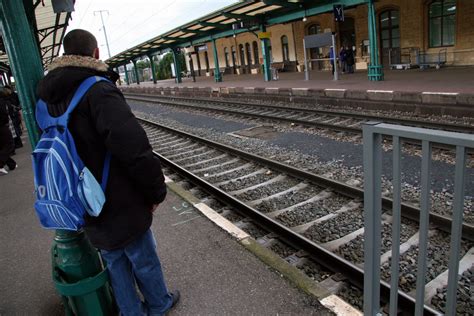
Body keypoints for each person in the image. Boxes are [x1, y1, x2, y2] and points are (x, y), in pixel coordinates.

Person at [36, 29, 179, 315]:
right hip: (118, 196)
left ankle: (130, 311)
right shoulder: (97, 89)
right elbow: (134, 147)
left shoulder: (44, 98)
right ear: (96, 53)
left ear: (65, 54)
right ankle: (158, 303)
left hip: (80, 196)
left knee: (114, 260)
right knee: (142, 257)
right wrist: (155, 190)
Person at [0, 87, 17, 175]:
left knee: (2, 145)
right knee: (9, 144)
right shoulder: (2, 101)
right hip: (2, 125)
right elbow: (4, 113)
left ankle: (11, 164)